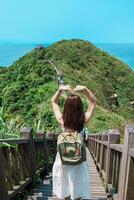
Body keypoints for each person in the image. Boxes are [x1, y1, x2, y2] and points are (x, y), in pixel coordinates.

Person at [52, 85, 96, 200]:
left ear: (66, 108)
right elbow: (93, 101)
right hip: (79, 160)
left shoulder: (62, 120)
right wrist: (85, 89)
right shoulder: (84, 120)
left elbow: (54, 102)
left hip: (63, 159)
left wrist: (60, 90)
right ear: (80, 107)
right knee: (77, 186)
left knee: (65, 186)